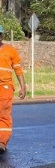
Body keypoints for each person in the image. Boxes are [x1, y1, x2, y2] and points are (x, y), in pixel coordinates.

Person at [0, 25, 27, 154]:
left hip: (5, 86)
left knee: (3, 113)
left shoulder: (11, 51)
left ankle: (2, 142)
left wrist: (23, 86)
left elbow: (18, 70)